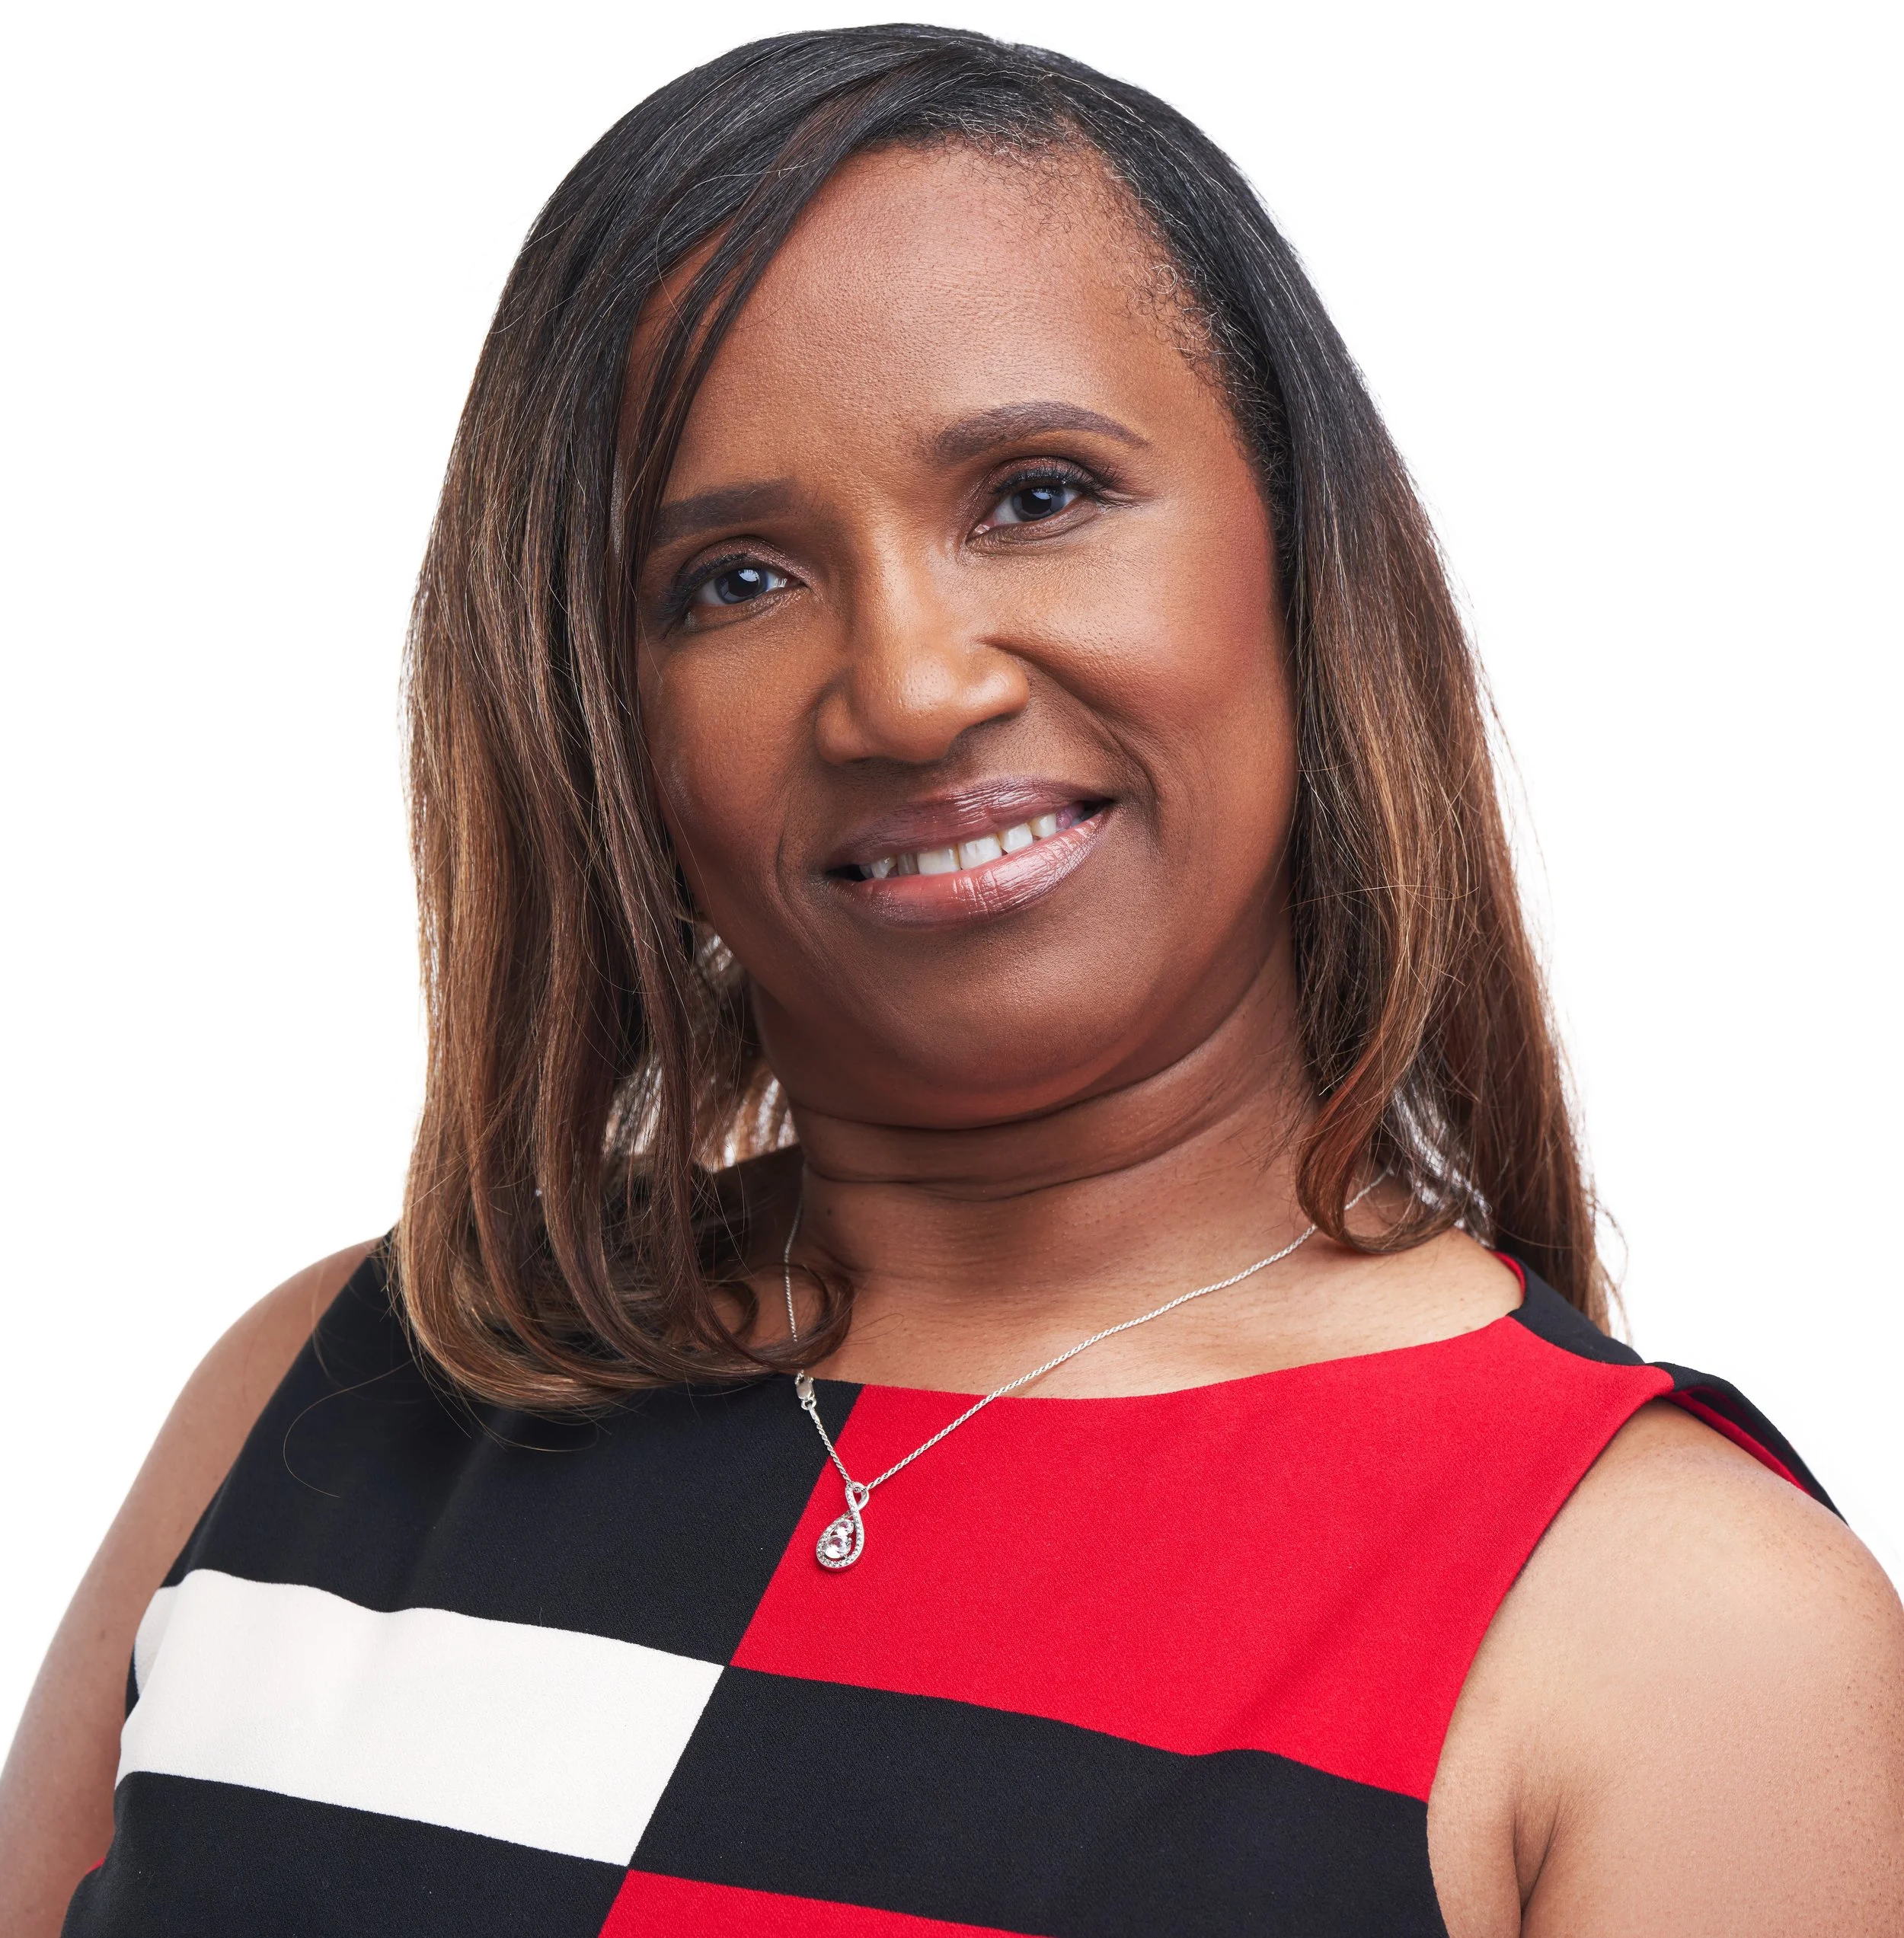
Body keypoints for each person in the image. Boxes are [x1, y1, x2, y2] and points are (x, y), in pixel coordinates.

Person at [4, 24, 1899, 1936]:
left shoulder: (1675, 1634)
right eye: (729, 581)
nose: (909, 690)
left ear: (1301, 556)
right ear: (597, 722)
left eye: (1036, 495)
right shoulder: (329, 1390)